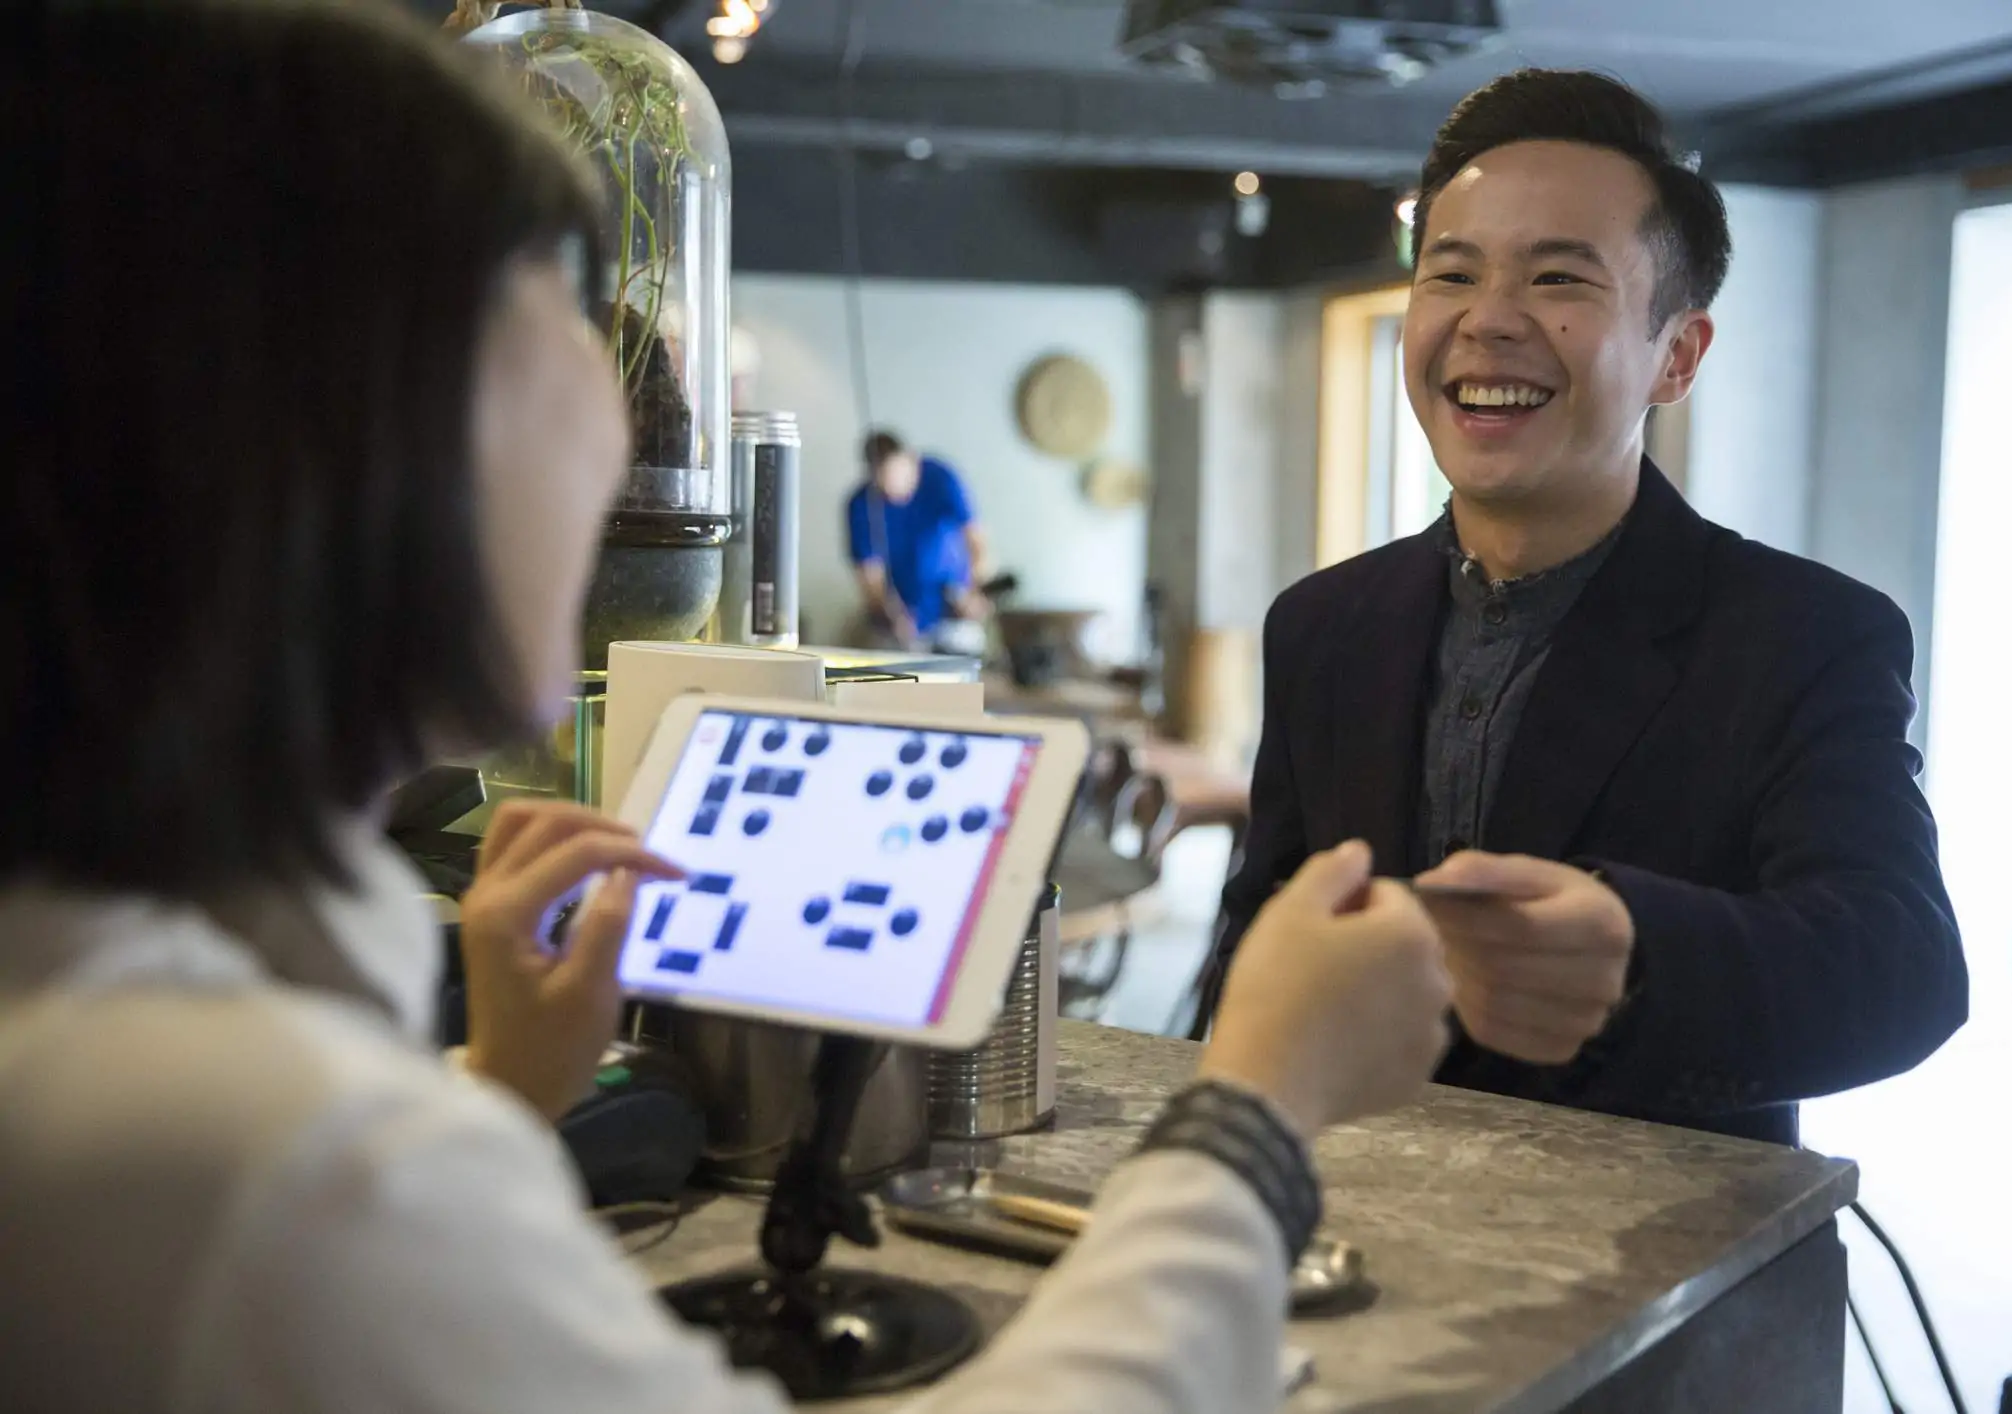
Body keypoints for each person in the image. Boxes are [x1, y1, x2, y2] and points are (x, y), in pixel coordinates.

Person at [0, 4, 1456, 1412]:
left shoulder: (153, 1047)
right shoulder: (254, 1154)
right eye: (550, 307)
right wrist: (1256, 1108)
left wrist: (498, 1097)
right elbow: (304, 1228)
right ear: (333, 439)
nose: (630, 410)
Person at [1197, 69, 1968, 1148]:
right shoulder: (1324, 622)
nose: (1488, 323)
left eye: (1559, 280)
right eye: (1450, 274)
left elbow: (1903, 965)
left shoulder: (1802, 634)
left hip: (1657, 1267)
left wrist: (1639, 957)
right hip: (1344, 1230)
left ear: (1677, 355)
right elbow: (1258, 939)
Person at [846, 430, 992, 649]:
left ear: (910, 459)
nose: (894, 490)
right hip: (902, 620)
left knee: (964, 671)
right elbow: (870, 577)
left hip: (954, 607)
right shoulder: (861, 506)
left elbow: (976, 542)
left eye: (899, 477)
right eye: (884, 481)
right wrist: (891, 613)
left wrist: (976, 592)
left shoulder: (941, 478)